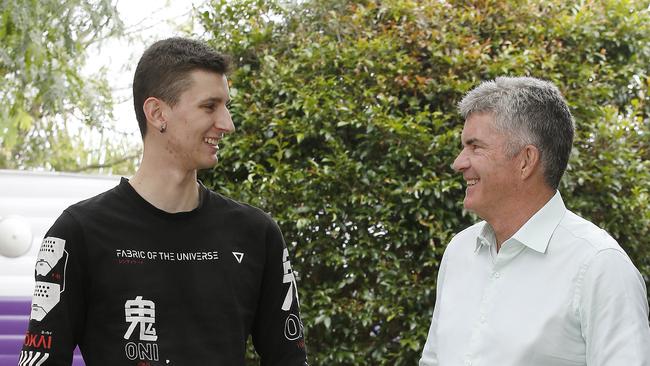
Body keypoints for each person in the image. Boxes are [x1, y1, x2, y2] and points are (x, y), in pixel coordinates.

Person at [20, 37, 308, 365]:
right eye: (209, 106)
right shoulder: (77, 233)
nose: (227, 123)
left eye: (226, 106)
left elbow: (290, 359)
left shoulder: (257, 233)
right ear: (157, 113)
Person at [419, 76, 650, 366]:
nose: (459, 163)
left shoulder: (600, 266)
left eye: (475, 147)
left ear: (526, 160)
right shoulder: (459, 251)